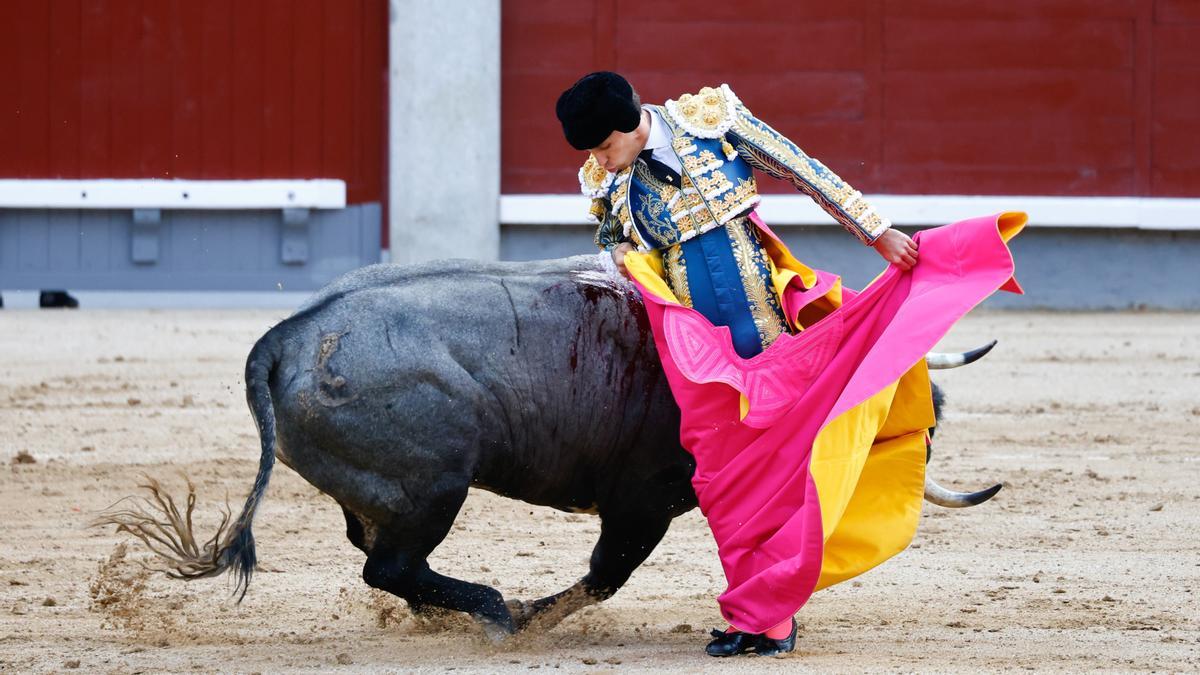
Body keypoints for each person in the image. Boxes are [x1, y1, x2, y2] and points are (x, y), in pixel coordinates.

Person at [555, 71, 1024, 657]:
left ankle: (769, 619)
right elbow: (610, 236)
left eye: (604, 147)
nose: (601, 161)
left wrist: (876, 233)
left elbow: (802, 168)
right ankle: (756, 611)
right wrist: (621, 250)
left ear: (628, 126)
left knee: (781, 474)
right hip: (701, 353)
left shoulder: (710, 121)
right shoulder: (604, 179)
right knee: (722, 482)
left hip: (770, 332)